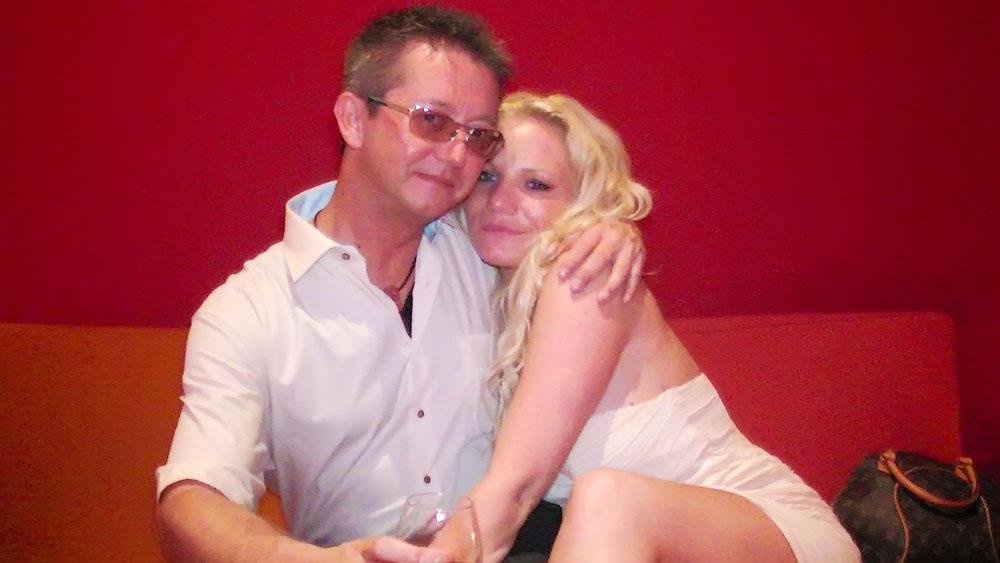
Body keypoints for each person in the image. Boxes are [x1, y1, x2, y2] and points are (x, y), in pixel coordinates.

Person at [154, 8, 642, 562]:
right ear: (353, 119)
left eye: (478, 135)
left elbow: (575, 228)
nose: (457, 155)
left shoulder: (489, 249)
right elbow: (193, 498)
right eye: (431, 121)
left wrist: (607, 230)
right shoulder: (250, 311)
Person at [459, 92, 862, 562]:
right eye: (487, 176)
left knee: (608, 499)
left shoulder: (586, 276)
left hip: (768, 531)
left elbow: (514, 489)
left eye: (537, 185)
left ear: (582, 201)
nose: (501, 201)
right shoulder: (477, 290)